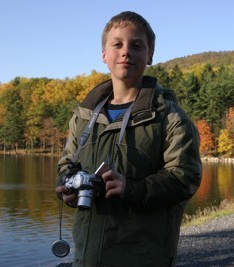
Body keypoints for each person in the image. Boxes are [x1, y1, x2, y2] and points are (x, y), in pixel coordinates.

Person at [55, 11, 202, 267]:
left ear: (150, 55)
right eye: (117, 44)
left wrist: (131, 188)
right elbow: (67, 165)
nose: (126, 52)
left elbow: (185, 177)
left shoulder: (168, 115)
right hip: (87, 257)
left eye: (136, 45)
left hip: (143, 257)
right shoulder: (84, 116)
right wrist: (67, 187)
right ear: (104, 54)